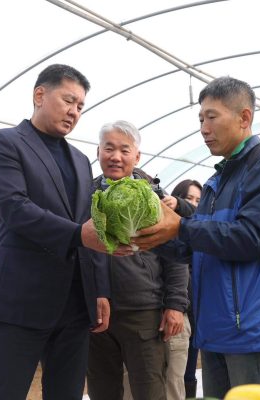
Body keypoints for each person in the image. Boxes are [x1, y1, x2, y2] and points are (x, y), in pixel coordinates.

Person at [133, 77, 260, 398]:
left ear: (244, 117)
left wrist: (181, 227)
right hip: (215, 331)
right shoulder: (216, 181)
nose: (203, 129)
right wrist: (150, 239)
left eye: (211, 117)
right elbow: (198, 245)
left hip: (254, 333)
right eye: (200, 120)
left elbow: (253, 238)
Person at [0, 64, 124, 400]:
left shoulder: (79, 159)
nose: (74, 112)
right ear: (39, 95)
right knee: (5, 393)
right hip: (22, 299)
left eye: (80, 106)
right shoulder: (4, 143)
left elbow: (90, 223)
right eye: (68, 100)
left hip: (75, 304)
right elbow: (15, 208)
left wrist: (100, 290)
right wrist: (77, 235)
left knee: (67, 393)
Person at [87, 120, 189, 400]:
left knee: (149, 390)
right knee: (102, 391)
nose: (116, 157)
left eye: (124, 150)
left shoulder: (154, 197)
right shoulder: (85, 194)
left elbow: (176, 254)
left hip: (143, 311)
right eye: (109, 148)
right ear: (98, 152)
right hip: (96, 312)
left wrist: (175, 305)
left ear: (137, 156)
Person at [170, 179, 202, 399]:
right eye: (189, 198)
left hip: (198, 313)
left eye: (199, 200)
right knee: (173, 375)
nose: (193, 204)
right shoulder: (168, 233)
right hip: (176, 311)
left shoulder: (202, 234)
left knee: (188, 372)